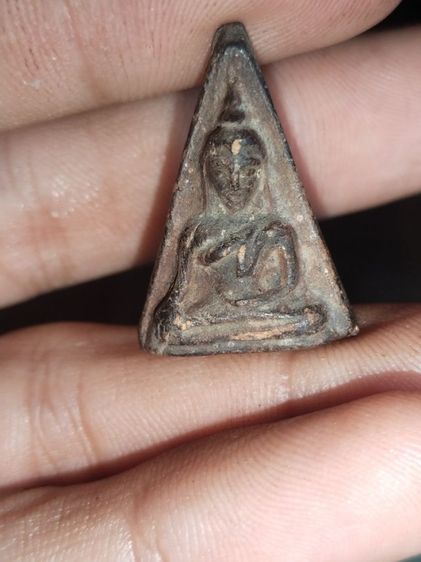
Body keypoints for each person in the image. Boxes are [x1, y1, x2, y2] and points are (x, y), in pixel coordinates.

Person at [0, 1, 420, 560]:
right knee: (173, 329)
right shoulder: (199, 233)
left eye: (247, 170)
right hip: (213, 323)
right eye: (223, 170)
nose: (236, 181)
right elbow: (176, 311)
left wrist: (253, 307)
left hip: (274, 319)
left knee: (312, 317)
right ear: (209, 172)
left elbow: (286, 296)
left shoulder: (276, 231)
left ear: (259, 170)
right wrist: (192, 300)